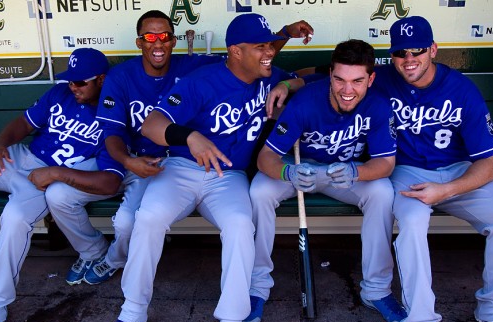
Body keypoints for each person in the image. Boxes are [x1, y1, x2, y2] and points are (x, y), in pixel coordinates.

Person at [104, 12, 311, 322]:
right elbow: (153, 124)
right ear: (235, 51)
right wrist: (189, 136)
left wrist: (288, 85)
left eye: (270, 46)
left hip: (227, 176)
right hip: (181, 169)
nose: (269, 53)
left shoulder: (269, 76)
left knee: (238, 224)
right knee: (147, 218)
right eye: (261, 47)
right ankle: (132, 310)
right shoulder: (202, 81)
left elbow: (308, 77)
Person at [62, 10, 313, 285]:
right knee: (128, 220)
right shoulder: (121, 75)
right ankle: (113, 263)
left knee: (129, 221)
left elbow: (251, 55)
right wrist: (126, 159)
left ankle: (113, 259)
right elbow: (112, 130)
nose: (158, 43)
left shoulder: (191, 66)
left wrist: (285, 35)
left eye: (165, 37)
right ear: (139, 42)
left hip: (174, 161)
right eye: (150, 37)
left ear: (173, 40)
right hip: (139, 160)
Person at [372, 16, 493, 322]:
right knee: (411, 224)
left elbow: (489, 164)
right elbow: (330, 74)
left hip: (459, 173)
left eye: (418, 51)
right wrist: (290, 82)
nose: (409, 59)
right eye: (400, 53)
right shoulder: (381, 79)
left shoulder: (460, 88)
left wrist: (445, 191)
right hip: (407, 173)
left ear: (433, 50)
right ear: (392, 56)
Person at [0, 48, 125, 322]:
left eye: (80, 82)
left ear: (101, 79)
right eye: (71, 81)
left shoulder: (112, 113)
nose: (73, 87)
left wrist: (56, 174)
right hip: (19, 159)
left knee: (13, 219)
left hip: (41, 183)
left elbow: (109, 181)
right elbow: (24, 124)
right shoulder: (60, 93)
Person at [245, 39, 406, 322]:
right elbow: (266, 157)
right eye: (340, 79)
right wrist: (287, 172)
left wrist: (357, 171)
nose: (347, 90)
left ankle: (377, 290)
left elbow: (385, 163)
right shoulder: (306, 100)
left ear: (371, 78)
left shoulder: (379, 105)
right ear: (330, 74)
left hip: (343, 174)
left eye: (357, 81)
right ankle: (257, 287)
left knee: (382, 192)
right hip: (300, 168)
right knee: (259, 192)